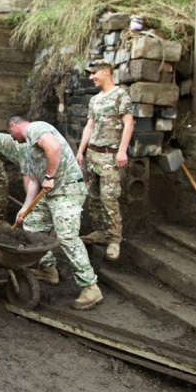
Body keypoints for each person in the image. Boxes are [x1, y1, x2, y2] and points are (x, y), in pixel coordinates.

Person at [7, 114, 103, 311]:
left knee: (67, 236)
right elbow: (33, 180)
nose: (12, 137)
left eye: (10, 133)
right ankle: (48, 268)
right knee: (33, 225)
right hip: (49, 193)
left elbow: (54, 147)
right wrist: (25, 208)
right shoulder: (27, 148)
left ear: (14, 125)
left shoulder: (36, 127)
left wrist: (50, 176)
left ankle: (90, 287)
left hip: (67, 189)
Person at [76, 59, 135, 262]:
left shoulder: (120, 96)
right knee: (93, 197)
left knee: (109, 198)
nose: (91, 77)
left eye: (94, 73)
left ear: (106, 71)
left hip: (110, 156)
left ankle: (114, 239)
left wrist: (122, 151)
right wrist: (81, 151)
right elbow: (89, 126)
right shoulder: (95, 100)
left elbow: (128, 124)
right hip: (92, 155)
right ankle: (100, 231)